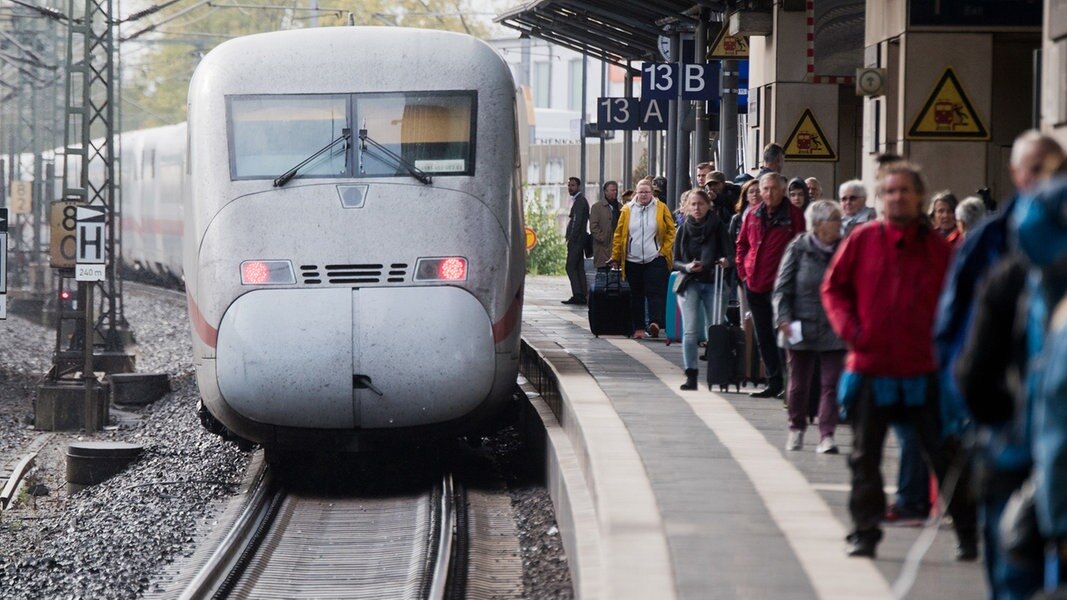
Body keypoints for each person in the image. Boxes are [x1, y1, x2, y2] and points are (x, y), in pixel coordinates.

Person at [822, 161, 977, 560]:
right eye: (890, 191)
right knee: (864, 458)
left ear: (920, 197)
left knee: (943, 455)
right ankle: (865, 532)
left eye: (905, 190)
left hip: (923, 370)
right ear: (881, 198)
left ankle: (968, 534)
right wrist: (852, 330)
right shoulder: (861, 240)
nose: (897, 197)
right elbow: (834, 289)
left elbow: (960, 305)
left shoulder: (939, 250)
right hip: (870, 367)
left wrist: (948, 349)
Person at [950, 133, 1064, 598]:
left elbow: (971, 369)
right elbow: (964, 350)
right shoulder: (995, 254)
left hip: (1020, 451)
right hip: (1016, 450)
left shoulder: (1013, 270)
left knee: (1014, 576)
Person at [772, 200, 846, 453]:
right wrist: (783, 318)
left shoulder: (845, 249)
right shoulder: (798, 248)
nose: (840, 225)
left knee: (831, 383)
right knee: (798, 383)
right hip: (799, 323)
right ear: (819, 225)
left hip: (833, 325)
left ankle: (827, 434)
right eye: (836, 220)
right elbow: (782, 288)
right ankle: (796, 427)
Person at [736, 173, 805, 398]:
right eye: (765, 189)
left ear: (782, 191)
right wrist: (743, 272)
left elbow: (801, 248)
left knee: (785, 336)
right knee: (763, 335)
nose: (769, 193)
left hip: (782, 286)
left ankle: (791, 383)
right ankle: (773, 381)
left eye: (774, 189)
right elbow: (742, 244)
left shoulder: (794, 216)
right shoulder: (753, 214)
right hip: (754, 284)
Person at [674, 189, 732, 389]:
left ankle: (718, 373)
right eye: (693, 204)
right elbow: (675, 261)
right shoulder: (683, 229)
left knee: (715, 330)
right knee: (690, 331)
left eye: (701, 204)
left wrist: (724, 261)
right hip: (689, 282)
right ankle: (691, 374)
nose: (697, 208)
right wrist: (688, 266)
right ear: (688, 207)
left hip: (712, 279)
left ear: (708, 205)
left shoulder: (718, 227)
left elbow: (730, 254)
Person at [610, 179, 676, 339]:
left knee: (655, 292)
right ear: (636, 193)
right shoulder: (627, 210)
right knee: (636, 294)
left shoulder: (661, 208)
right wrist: (616, 255)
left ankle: (655, 322)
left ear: (652, 193)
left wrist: (664, 250)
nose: (644, 195)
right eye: (641, 192)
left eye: (647, 192)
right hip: (633, 259)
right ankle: (638, 328)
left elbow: (670, 231)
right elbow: (619, 234)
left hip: (655, 257)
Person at [562, 176, 590, 305]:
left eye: (572, 185)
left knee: (570, 266)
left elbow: (576, 222)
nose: (570, 188)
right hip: (579, 239)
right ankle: (581, 294)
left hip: (577, 240)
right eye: (569, 185)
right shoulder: (580, 200)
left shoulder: (579, 201)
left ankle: (578, 294)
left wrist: (571, 238)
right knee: (578, 267)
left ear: (578, 187)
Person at [590, 180, 622, 270]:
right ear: (605, 191)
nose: (615, 192)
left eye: (616, 190)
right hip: (602, 248)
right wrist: (603, 238)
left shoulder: (620, 207)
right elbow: (593, 227)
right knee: (603, 274)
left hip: (617, 248)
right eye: (612, 190)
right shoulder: (597, 207)